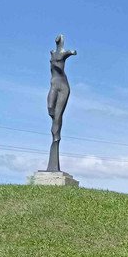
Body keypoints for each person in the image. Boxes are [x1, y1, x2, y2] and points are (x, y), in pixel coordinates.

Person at [46, 34, 77, 172]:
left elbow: (72, 52)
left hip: (64, 87)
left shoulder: (64, 52)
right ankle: (55, 135)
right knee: (50, 109)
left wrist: (72, 52)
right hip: (54, 84)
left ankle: (56, 139)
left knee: (58, 116)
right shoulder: (52, 52)